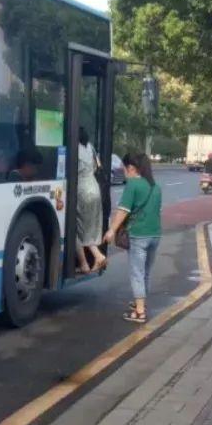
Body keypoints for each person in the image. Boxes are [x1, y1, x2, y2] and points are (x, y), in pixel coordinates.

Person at [103, 152, 162, 324]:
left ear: (131, 168)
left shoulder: (133, 185)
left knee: (137, 273)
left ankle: (140, 312)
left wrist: (111, 230)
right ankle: (140, 303)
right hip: (155, 235)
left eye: (125, 169)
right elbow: (157, 212)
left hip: (139, 235)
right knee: (146, 273)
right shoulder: (155, 187)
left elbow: (123, 211)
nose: (124, 172)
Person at [75, 128, 106, 273]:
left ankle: (93, 259)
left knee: (75, 228)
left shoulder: (73, 148)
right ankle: (86, 263)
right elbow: (97, 166)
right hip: (94, 187)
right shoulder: (91, 147)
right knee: (91, 226)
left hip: (81, 190)